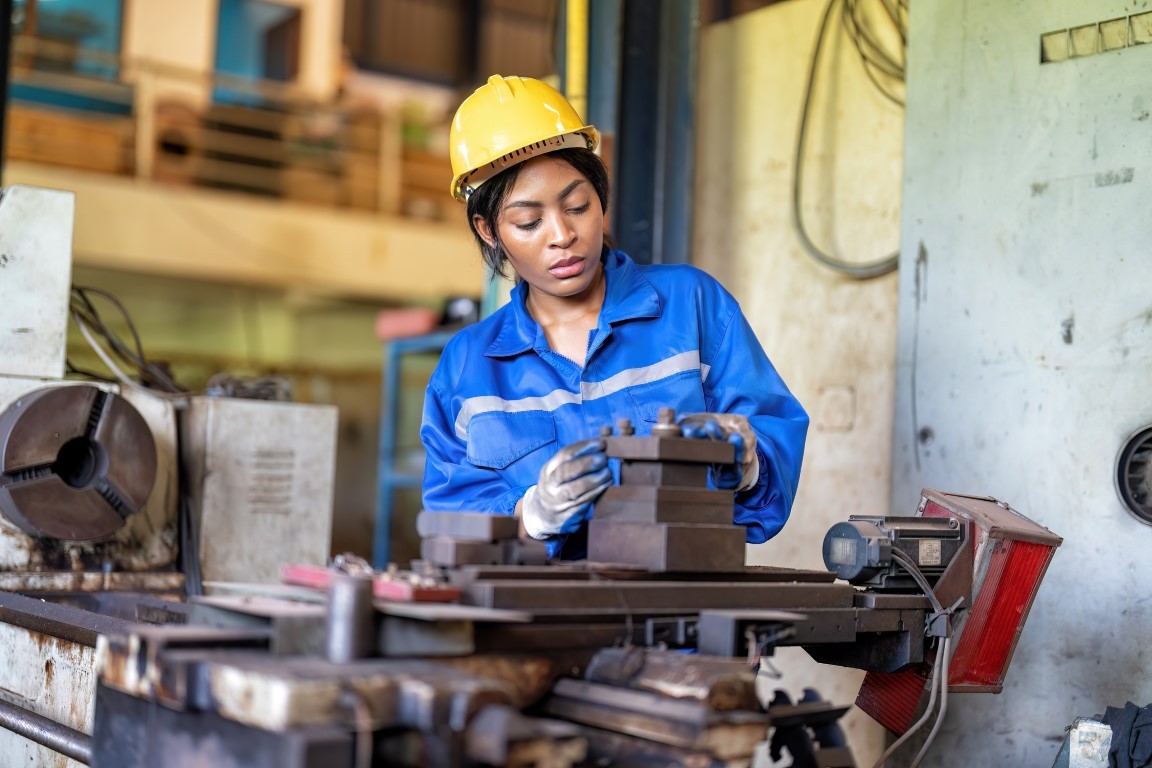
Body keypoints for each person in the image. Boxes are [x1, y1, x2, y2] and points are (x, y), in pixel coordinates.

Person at [420, 75, 808, 559]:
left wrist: (751, 461)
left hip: (683, 619)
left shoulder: (691, 306)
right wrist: (529, 517)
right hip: (536, 624)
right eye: (529, 222)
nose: (562, 234)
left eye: (577, 206)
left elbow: (774, 447)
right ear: (489, 230)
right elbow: (449, 525)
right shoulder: (467, 367)